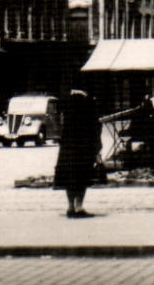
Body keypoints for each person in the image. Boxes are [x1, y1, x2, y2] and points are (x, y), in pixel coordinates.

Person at [53, 88, 102, 218]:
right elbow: (95, 127)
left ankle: (70, 206)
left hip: (68, 148)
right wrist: (97, 148)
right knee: (82, 177)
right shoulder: (89, 104)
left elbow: (59, 126)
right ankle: (78, 207)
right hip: (84, 147)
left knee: (69, 177)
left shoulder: (66, 103)